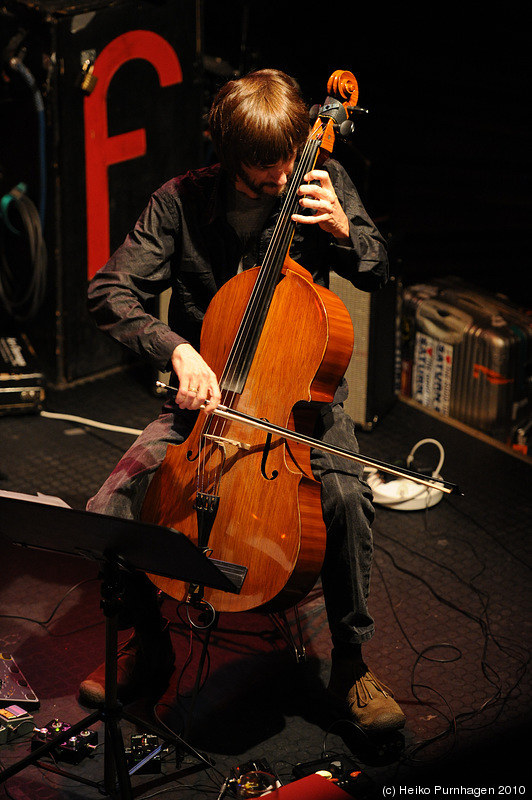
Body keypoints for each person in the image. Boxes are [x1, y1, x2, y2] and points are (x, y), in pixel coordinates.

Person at [80, 68, 405, 734]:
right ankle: (150, 645)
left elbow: (378, 268)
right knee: (108, 507)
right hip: (207, 403)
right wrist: (176, 348)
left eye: (288, 155)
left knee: (346, 501)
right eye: (262, 166)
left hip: (299, 404)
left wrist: (345, 231)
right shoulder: (179, 203)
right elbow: (108, 291)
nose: (282, 175)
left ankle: (349, 661)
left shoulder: (319, 179)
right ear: (226, 156)